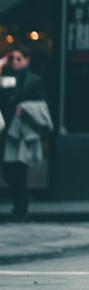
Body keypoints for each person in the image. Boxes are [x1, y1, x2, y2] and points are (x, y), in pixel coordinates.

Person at [0, 43, 50, 221]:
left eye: (18, 58)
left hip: (22, 133)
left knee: (19, 170)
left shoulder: (34, 80)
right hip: (6, 131)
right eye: (12, 58)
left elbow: (43, 104)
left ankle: (20, 208)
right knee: (7, 170)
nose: (15, 62)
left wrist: (26, 108)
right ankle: (21, 200)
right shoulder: (6, 78)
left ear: (27, 60)